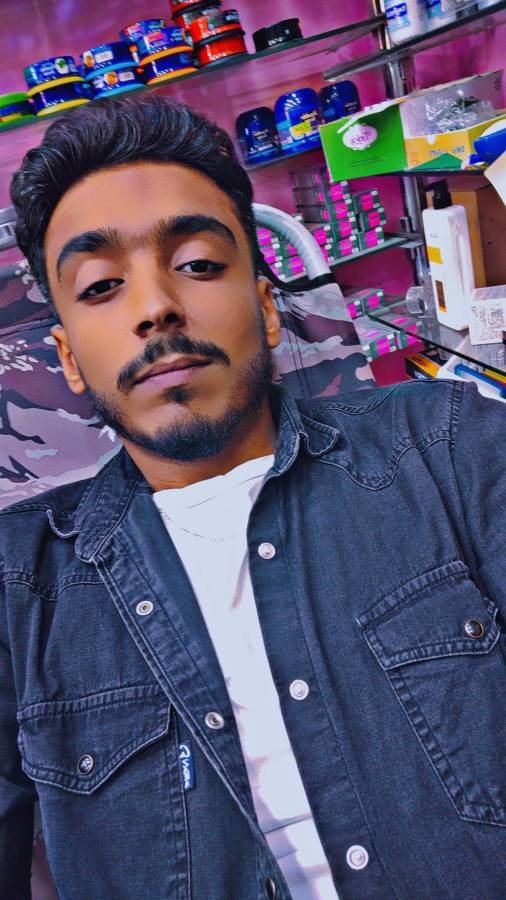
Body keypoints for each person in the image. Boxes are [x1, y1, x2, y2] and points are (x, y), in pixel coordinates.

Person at [1, 94, 505, 900]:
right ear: (66, 358)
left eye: (199, 265)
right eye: (100, 286)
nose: (156, 307)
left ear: (268, 308)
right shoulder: (18, 587)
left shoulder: (448, 446)